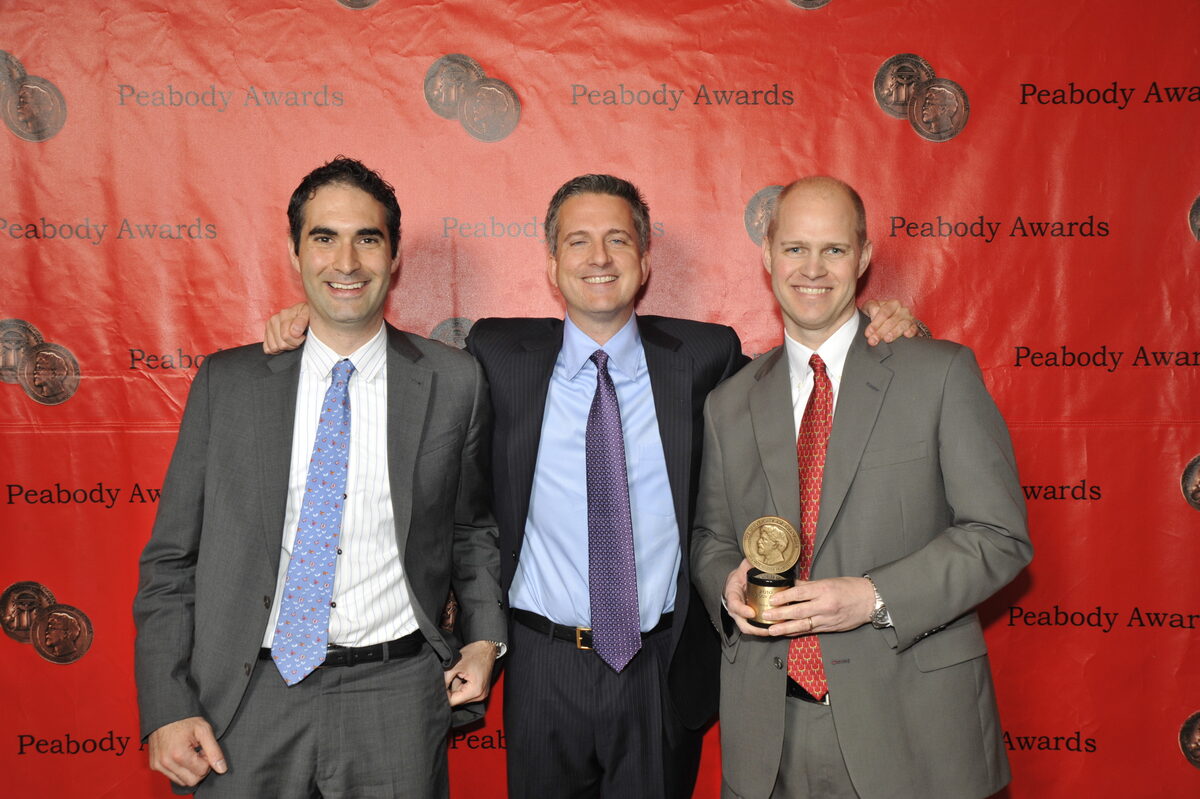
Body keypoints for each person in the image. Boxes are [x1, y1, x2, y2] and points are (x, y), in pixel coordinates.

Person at [263, 173, 917, 798]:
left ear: (644, 258)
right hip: (542, 666)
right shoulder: (495, 354)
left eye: (618, 239)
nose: (598, 257)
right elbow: (398, 363)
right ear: (551, 264)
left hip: (660, 665)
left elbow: (804, 384)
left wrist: (878, 328)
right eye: (578, 241)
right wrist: (317, 320)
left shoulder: (705, 357)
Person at [133, 156, 505, 797]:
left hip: (395, 696)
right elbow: (172, 561)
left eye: (368, 237)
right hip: (248, 698)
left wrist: (484, 640)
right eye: (324, 237)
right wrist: (167, 704)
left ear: (393, 257)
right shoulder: (230, 384)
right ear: (293, 250)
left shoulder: (454, 382)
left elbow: (470, 530)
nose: (347, 261)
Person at [691, 176, 1032, 798]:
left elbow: (999, 536)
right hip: (769, 732)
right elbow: (712, 537)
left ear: (864, 257)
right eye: (795, 248)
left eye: (834, 250)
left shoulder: (939, 373)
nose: (812, 269)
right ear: (766, 256)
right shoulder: (728, 403)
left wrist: (874, 597)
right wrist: (727, 584)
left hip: (912, 725)